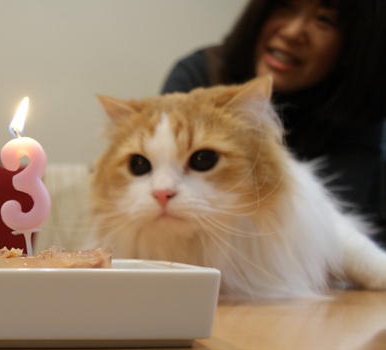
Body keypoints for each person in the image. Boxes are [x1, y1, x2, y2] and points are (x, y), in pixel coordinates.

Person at [161, 0, 386, 245]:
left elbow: (337, 230)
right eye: (285, 5)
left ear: (355, 44)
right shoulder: (200, 74)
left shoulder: (360, 107)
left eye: (324, 19)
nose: (292, 32)